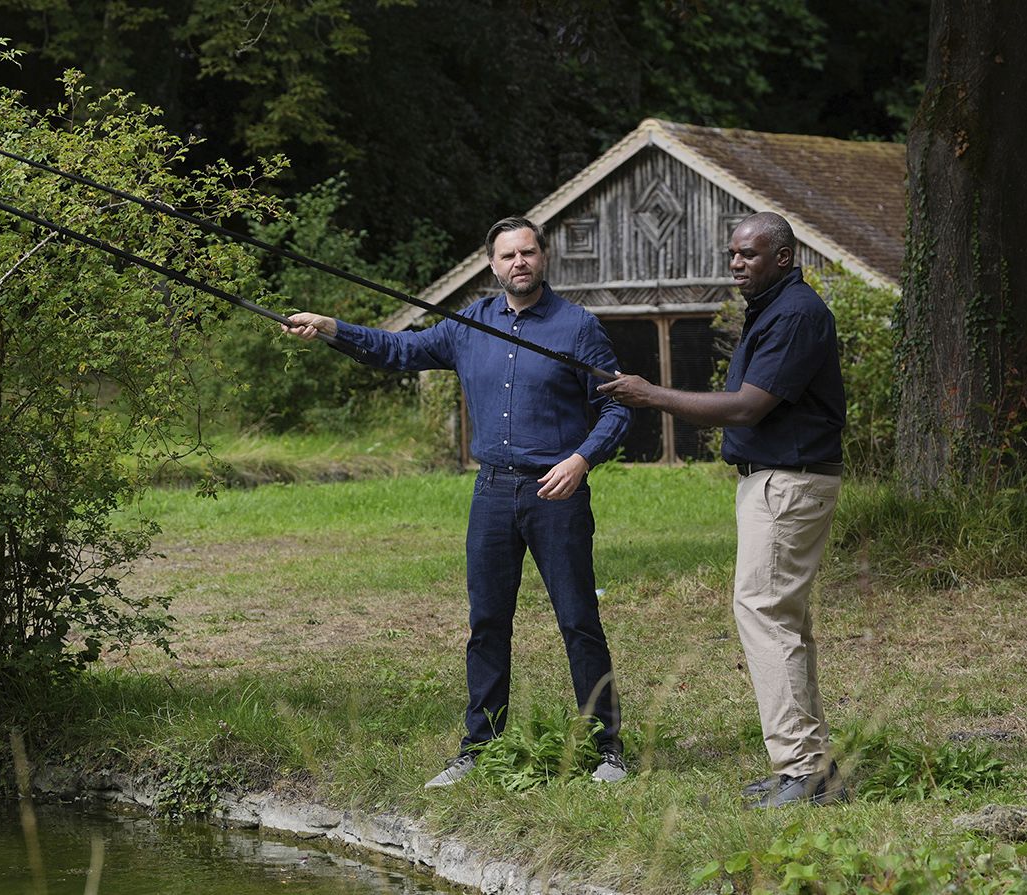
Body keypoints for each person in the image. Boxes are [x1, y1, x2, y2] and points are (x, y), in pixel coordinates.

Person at [283, 216, 632, 788]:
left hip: (556, 491)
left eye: (527, 252)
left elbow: (618, 407)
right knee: (487, 621)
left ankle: (606, 749)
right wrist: (330, 328)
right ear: (492, 266)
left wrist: (582, 459)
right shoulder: (469, 324)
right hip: (493, 490)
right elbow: (398, 350)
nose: (518, 263)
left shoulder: (578, 328)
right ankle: (480, 748)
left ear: (542, 258)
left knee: (577, 618)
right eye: (506, 256)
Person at [597, 211, 846, 808]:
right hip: (775, 481)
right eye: (732, 253)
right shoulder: (774, 308)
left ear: (782, 257)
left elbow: (746, 408)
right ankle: (808, 767)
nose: (736, 263)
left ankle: (804, 774)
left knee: (764, 613)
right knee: (782, 619)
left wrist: (650, 395)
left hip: (788, 483)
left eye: (749, 255)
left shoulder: (796, 314)